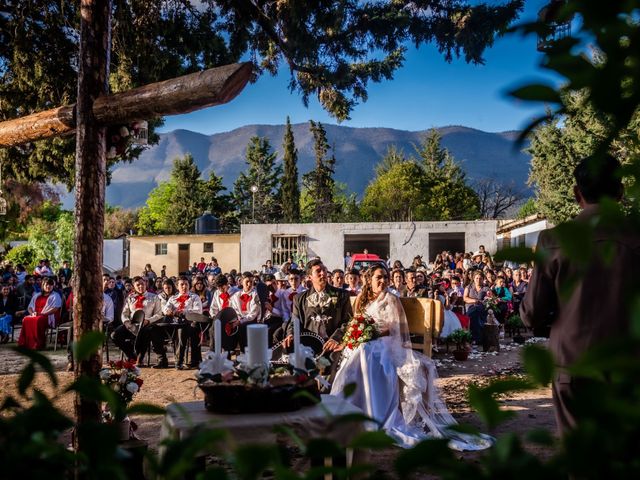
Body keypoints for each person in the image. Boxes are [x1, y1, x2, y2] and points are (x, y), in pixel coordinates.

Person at [521, 155, 640, 435]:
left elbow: (531, 313)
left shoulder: (553, 241)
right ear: (621, 193)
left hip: (573, 364)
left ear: (577, 193)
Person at [331, 265, 488, 449]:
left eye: (385, 277)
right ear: (369, 280)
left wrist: (371, 333)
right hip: (368, 341)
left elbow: (395, 327)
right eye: (378, 278)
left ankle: (375, 410)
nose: (382, 281)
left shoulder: (392, 299)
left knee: (365, 351)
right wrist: (357, 335)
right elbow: (356, 322)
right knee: (356, 350)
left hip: (386, 343)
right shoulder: (362, 300)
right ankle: (352, 405)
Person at [284, 259, 352, 382]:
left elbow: (348, 321)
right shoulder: (299, 299)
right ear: (310, 276)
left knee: (333, 362)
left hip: (332, 345)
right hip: (309, 345)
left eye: (324, 270)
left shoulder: (342, 295)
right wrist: (291, 334)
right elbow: (295, 321)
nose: (323, 273)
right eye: (318, 271)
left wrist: (336, 338)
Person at [111, 276, 164, 367]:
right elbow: (124, 313)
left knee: (145, 332)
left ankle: (140, 358)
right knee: (115, 335)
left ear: (146, 284)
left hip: (146, 324)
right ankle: (132, 355)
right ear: (133, 286)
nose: (141, 286)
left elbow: (159, 314)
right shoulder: (130, 297)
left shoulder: (154, 297)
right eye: (138, 285)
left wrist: (148, 320)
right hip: (132, 324)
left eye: (142, 284)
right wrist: (126, 322)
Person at [163, 276, 204, 369]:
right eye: (182, 284)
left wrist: (183, 312)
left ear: (189, 285)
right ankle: (179, 361)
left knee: (184, 329)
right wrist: (168, 311)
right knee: (179, 329)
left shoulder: (194, 297)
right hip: (174, 325)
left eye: (186, 284)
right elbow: (165, 308)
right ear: (177, 286)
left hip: (190, 324)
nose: (184, 286)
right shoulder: (173, 298)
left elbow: (198, 311)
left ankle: (182, 361)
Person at [17, 277, 62, 349]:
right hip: (36, 315)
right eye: (47, 284)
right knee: (26, 319)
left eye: (51, 285)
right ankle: (25, 343)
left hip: (49, 316)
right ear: (43, 285)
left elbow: (55, 309)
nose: (48, 286)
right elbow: (30, 307)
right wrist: (32, 313)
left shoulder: (55, 295)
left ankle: (38, 344)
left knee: (38, 320)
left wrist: (42, 314)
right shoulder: (37, 295)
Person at [463, 270, 488, 344]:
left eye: (480, 278)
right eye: (477, 278)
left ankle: (474, 338)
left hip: (481, 308)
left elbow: (491, 298)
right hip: (470, 307)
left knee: (476, 311)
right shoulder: (469, 287)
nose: (478, 280)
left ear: (483, 279)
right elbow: (465, 298)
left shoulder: (486, 288)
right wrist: (475, 301)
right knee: (475, 314)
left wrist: (488, 296)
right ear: (473, 278)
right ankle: (477, 338)